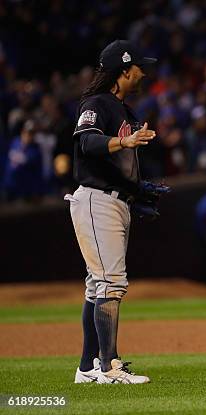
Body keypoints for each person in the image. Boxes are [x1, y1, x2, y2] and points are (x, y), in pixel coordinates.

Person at [66, 40, 158, 384]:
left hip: (116, 201)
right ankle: (109, 367)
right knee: (110, 283)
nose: (143, 72)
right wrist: (124, 142)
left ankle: (88, 367)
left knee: (97, 287)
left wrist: (137, 189)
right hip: (96, 200)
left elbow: (119, 161)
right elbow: (87, 142)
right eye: (139, 67)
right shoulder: (96, 104)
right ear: (124, 70)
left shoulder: (124, 110)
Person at [2, 119, 44, 201]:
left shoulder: (35, 150)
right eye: (27, 132)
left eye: (31, 134)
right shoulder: (15, 142)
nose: (28, 136)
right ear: (22, 132)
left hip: (23, 189)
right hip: (9, 184)